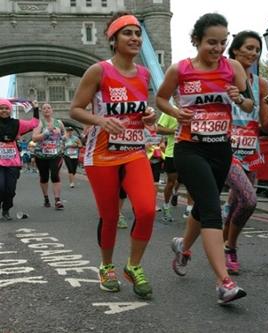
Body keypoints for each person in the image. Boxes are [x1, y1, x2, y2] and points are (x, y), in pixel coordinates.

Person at [155, 13, 251, 304]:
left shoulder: (233, 67)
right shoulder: (180, 70)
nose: (218, 48)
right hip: (190, 148)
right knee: (211, 209)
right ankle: (224, 283)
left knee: (205, 206)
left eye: (223, 42)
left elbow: (249, 105)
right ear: (196, 40)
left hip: (221, 148)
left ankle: (183, 247)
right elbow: (160, 99)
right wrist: (175, 113)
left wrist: (239, 98)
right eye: (211, 42)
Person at [70, 11, 156, 299]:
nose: (135, 38)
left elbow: (140, 111)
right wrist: (100, 120)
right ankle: (106, 266)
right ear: (113, 40)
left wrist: (148, 115)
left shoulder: (144, 73)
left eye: (137, 33)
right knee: (109, 216)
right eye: (127, 33)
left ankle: (133, 265)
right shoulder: (99, 71)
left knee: (145, 210)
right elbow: (76, 109)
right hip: (102, 154)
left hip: (134, 151)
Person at [222, 30, 268, 275]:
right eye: (248, 48)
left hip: (250, 151)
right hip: (226, 148)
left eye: (257, 50)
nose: (253, 53)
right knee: (249, 200)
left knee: (237, 203)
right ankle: (230, 247)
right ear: (235, 50)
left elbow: (265, 127)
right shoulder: (223, 78)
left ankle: (222, 246)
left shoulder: (261, 84)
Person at [0, 99, 39, 220]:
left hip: (13, 162)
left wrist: (36, 108)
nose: (4, 110)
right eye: (1, 108)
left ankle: (6, 209)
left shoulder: (17, 123)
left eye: (6, 108)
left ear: (10, 110)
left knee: (10, 190)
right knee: (0, 187)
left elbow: (34, 123)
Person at [31, 102, 66, 210]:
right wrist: (45, 133)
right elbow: (34, 138)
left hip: (55, 154)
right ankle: (46, 198)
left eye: (48, 108)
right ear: (42, 111)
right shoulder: (39, 123)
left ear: (52, 110)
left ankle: (57, 199)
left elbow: (65, 135)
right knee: (44, 177)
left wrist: (61, 135)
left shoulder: (58, 122)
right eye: (44, 108)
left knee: (55, 175)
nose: (46, 110)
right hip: (41, 155)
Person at [156, 112, 179, 223]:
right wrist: (176, 131)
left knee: (191, 183)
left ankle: (190, 210)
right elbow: (159, 129)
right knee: (171, 182)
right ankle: (166, 207)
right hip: (173, 153)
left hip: (191, 152)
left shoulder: (194, 107)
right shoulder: (170, 110)